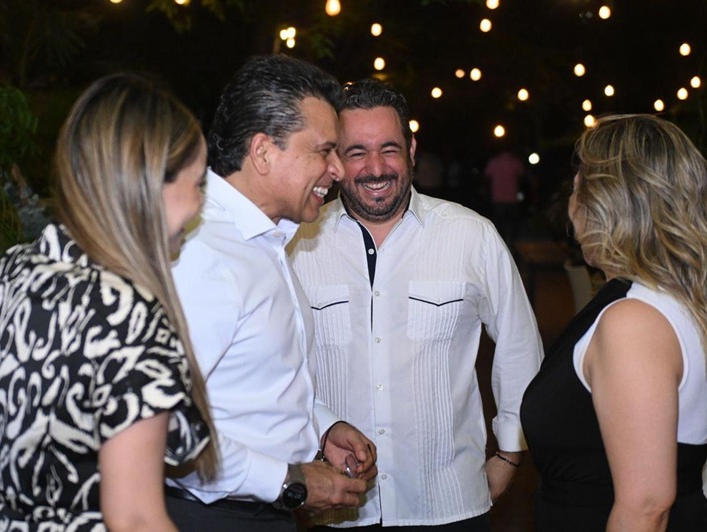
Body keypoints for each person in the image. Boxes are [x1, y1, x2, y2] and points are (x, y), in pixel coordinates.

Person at [0, 73, 216, 530]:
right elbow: (135, 519)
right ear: (148, 184)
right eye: (198, 184)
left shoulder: (7, 271)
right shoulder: (127, 313)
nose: (201, 205)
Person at [288, 78, 543, 530]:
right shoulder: (297, 244)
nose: (376, 168)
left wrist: (509, 452)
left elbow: (520, 345)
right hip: (338, 506)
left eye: (389, 149)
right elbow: (279, 365)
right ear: (335, 161)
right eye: (357, 152)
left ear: (411, 150)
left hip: (449, 503)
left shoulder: (471, 235)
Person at [166, 55, 377, 532]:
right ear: (263, 152)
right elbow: (164, 426)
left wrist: (320, 427)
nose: (338, 170)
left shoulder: (266, 241)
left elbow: (251, 387)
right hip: (208, 518)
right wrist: (289, 481)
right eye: (324, 151)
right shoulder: (202, 249)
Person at [520, 114, 707, 531]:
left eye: (577, 188)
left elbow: (646, 507)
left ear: (606, 204)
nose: (570, 206)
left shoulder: (633, 320)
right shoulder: (659, 299)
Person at [483, 149, 525, 249]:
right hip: (512, 198)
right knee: (512, 223)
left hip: (498, 198)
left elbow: (486, 177)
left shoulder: (494, 162)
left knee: (499, 223)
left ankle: (501, 245)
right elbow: (522, 175)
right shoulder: (515, 162)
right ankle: (511, 243)